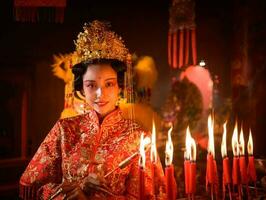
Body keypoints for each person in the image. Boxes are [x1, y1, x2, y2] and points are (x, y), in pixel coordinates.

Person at [19, 20, 166, 200]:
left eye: (109, 84)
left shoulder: (138, 137)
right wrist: (69, 194)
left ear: (120, 87)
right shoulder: (65, 130)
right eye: (91, 85)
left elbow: (151, 195)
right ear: (81, 89)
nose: (100, 94)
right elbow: (37, 185)